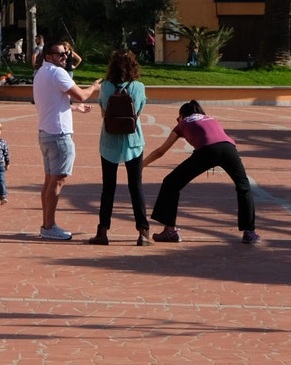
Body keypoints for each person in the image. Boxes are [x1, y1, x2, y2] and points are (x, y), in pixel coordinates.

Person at [144, 99, 259, 245]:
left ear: (182, 115)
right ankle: (250, 232)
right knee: (243, 187)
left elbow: (161, 151)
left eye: (178, 117)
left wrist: (142, 165)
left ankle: (170, 231)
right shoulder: (210, 118)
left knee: (171, 183)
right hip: (229, 149)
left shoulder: (182, 123)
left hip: (206, 151)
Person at [33, 41, 99, 241]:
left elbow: (53, 102)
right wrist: (94, 87)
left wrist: (74, 109)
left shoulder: (41, 73)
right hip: (59, 134)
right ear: (48, 56)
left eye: (66, 53)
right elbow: (81, 95)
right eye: (60, 54)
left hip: (46, 132)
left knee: (49, 180)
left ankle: (46, 224)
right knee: (57, 181)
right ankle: (49, 226)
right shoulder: (57, 73)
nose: (64, 57)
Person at [90, 50, 150, 247]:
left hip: (109, 141)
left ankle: (102, 231)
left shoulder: (106, 87)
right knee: (136, 186)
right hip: (133, 140)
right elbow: (139, 112)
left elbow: (103, 111)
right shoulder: (139, 87)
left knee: (108, 187)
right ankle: (143, 232)